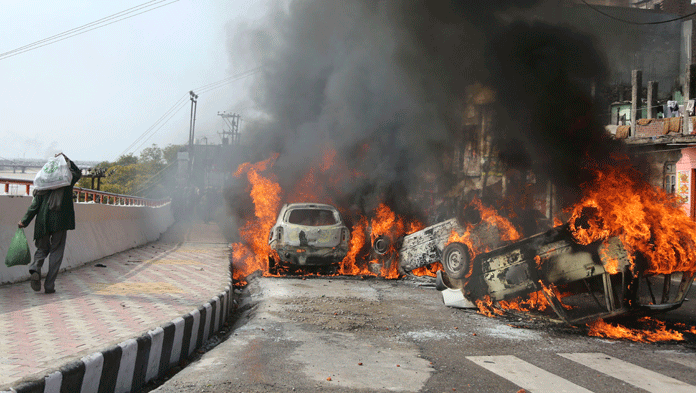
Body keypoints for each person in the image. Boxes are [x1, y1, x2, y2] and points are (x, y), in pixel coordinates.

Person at [18, 153, 81, 294]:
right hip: (60, 221)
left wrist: (24, 221)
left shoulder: (42, 185)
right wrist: (66, 158)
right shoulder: (67, 181)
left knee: (42, 248)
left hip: (42, 221)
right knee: (56, 252)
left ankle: (35, 267)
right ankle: (49, 285)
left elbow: (34, 206)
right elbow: (78, 172)